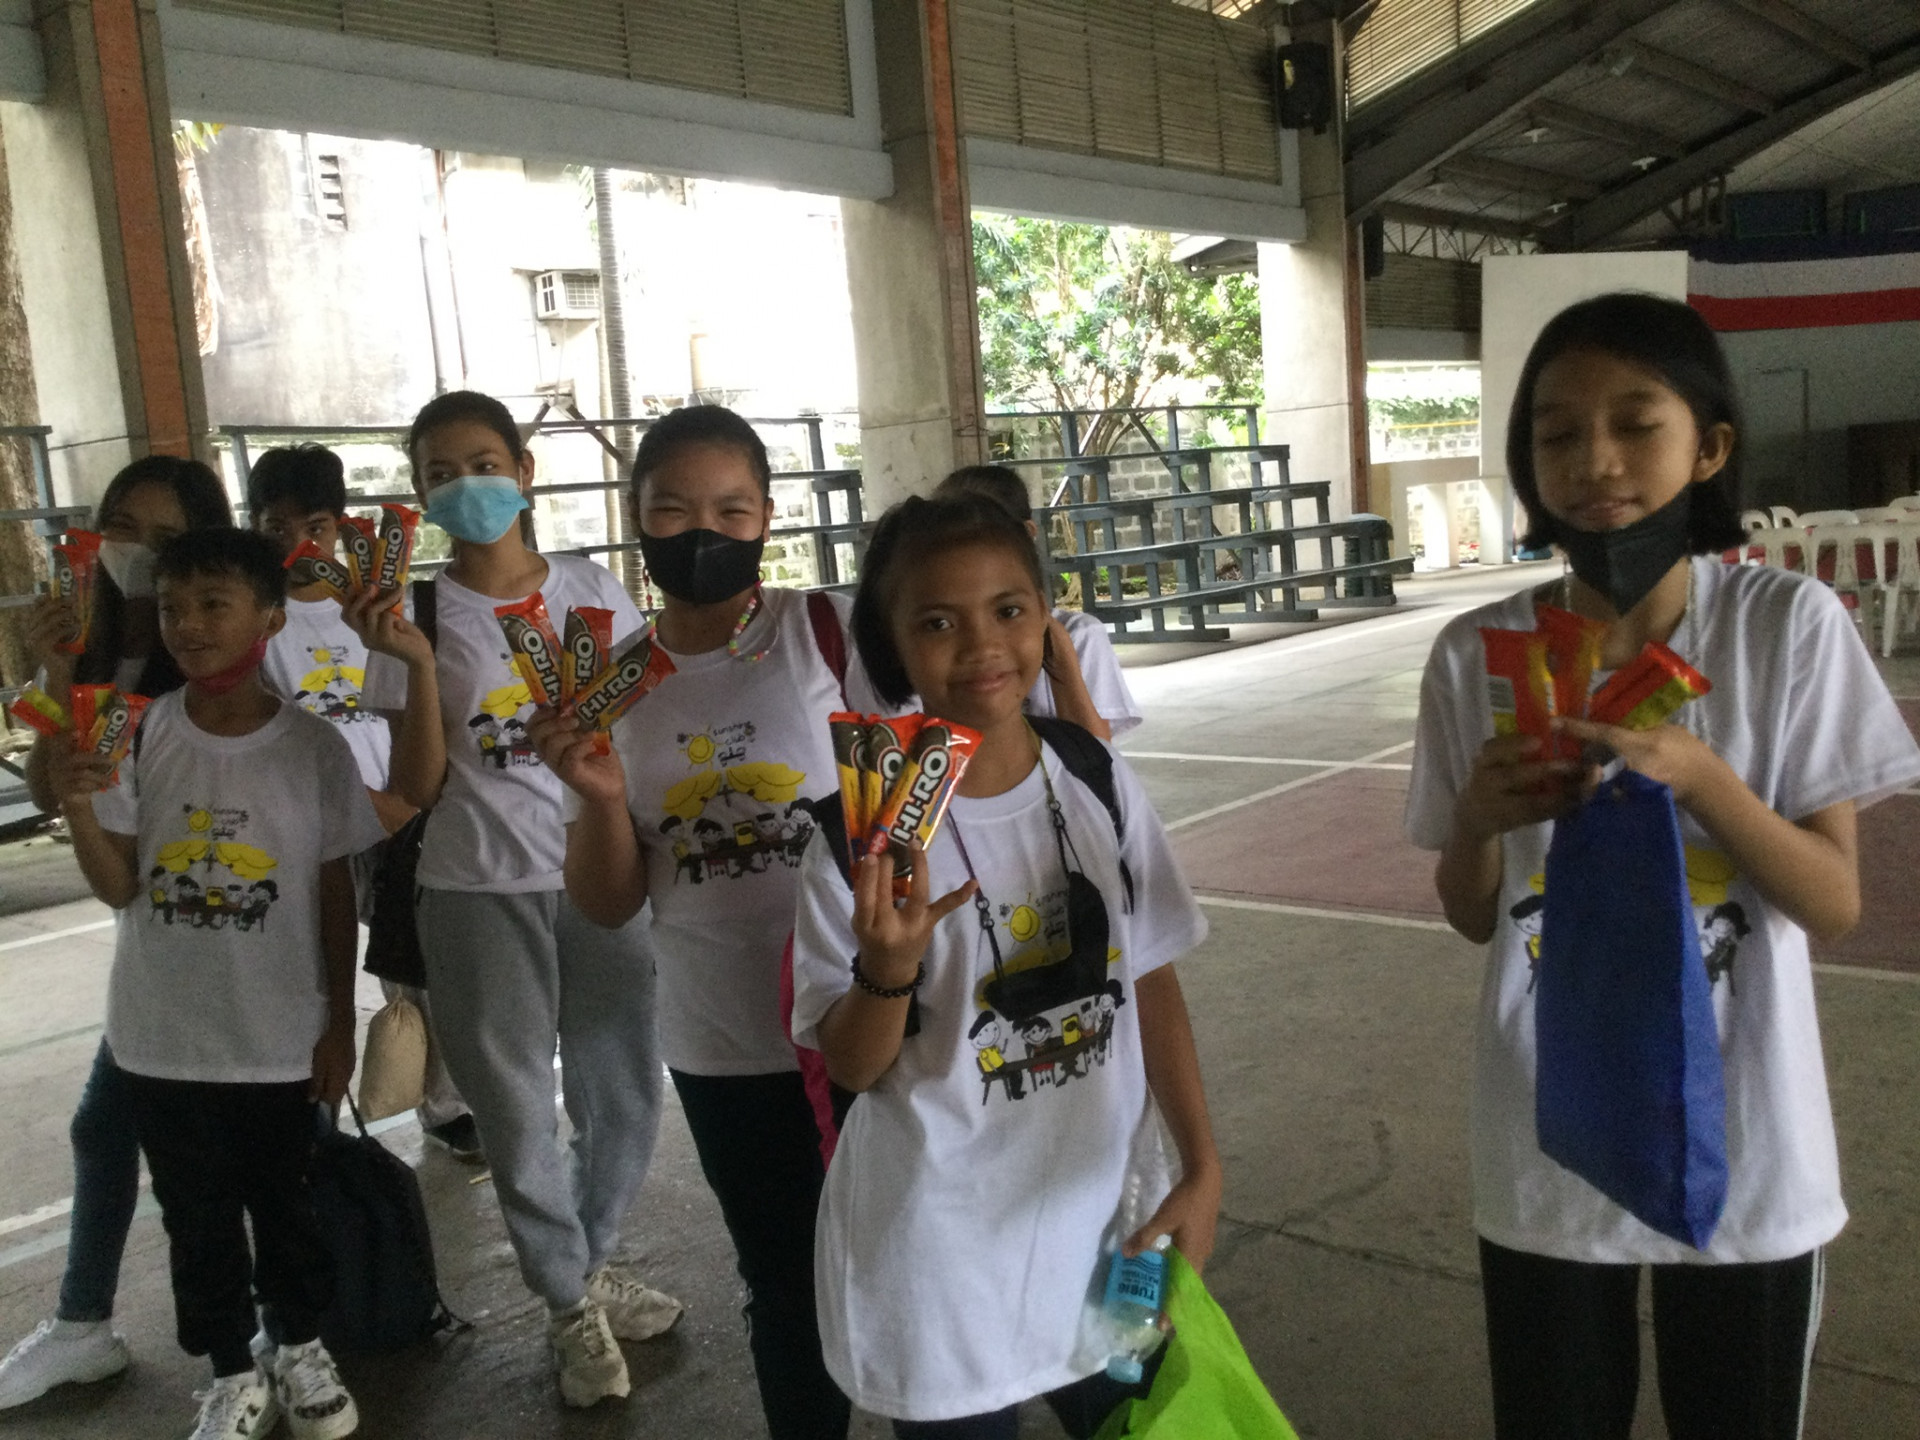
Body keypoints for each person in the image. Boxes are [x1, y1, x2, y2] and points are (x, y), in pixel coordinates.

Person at [1404, 292, 1920, 1440]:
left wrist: (1705, 780)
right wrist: (1479, 820)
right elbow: (1474, 915)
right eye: (1556, 433)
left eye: (1637, 424)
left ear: (1711, 446)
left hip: (1745, 1141)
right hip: (1550, 1139)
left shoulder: (1785, 628)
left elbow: (1833, 903)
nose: (1595, 463)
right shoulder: (1477, 656)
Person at [787, 493, 1222, 1437]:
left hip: (1103, 1225)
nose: (982, 644)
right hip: (941, 1257)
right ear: (894, 648)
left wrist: (1202, 1164)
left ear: (1045, 619)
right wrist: (887, 968)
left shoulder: (1097, 777)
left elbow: (1150, 974)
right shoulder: (861, 837)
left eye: (1008, 609)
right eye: (938, 623)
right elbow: (852, 1067)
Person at [533, 404, 886, 1439]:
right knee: (783, 1282)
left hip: (866, 1013)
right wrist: (600, 797)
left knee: (909, 1256)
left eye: (731, 510)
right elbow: (609, 902)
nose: (703, 532)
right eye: (673, 509)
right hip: (721, 1041)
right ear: (634, 517)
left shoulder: (826, 634)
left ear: (767, 518)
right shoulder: (612, 684)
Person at [348, 390, 678, 1409]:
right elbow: (415, 784)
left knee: (624, 1093)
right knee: (515, 1112)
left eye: (484, 463)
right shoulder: (413, 618)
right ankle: (567, 1302)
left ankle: (589, 1259)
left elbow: (647, 729)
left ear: (525, 472)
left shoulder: (593, 592)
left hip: (600, 878)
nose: (467, 486)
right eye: (440, 474)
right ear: (420, 495)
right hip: (474, 890)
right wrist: (412, 668)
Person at [47, 527, 382, 1439]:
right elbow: (120, 886)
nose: (188, 626)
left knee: (287, 1204)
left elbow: (333, 892)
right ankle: (232, 1369)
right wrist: (78, 806)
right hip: (163, 1038)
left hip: (279, 1037)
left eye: (212, 605)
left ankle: (300, 1343)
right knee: (195, 1218)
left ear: (269, 618)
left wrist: (339, 1024)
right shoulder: (142, 731)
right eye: (171, 608)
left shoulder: (314, 746)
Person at [0, 457, 231, 1411]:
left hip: (228, 921)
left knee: (256, 1141)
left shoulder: (210, 652)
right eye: (122, 528)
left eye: (165, 537)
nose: (137, 551)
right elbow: (49, 788)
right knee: (109, 1127)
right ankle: (85, 1326)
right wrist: (59, 670)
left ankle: (287, 1325)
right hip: (147, 929)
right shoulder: (96, 648)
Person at [248, 443, 480, 1161]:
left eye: (314, 526)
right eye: (275, 528)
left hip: (402, 819)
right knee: (317, 972)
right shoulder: (260, 623)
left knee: (416, 967)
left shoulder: (380, 608)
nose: (297, 544)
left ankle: (446, 1104)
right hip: (314, 826)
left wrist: (403, 802)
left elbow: (421, 709)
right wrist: (352, 803)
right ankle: (311, 1112)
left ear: (340, 526)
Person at [933, 465, 1141, 741]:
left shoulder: (1079, 635)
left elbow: (1097, 753)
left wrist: (1062, 663)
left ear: (1027, 533)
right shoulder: (927, 639)